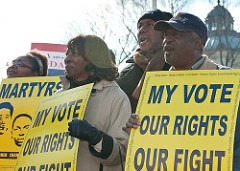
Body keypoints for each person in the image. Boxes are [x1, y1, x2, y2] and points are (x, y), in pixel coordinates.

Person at [124, 12, 239, 170]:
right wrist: (138, 130)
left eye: (175, 34)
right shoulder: (156, 88)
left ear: (197, 43)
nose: (167, 39)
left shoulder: (227, 82)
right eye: (165, 35)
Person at [56, 34, 131, 171]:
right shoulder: (57, 97)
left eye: (75, 54)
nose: (67, 59)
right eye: (67, 54)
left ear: (93, 60)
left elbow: (122, 153)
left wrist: (95, 137)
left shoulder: (116, 97)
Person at [117, 9, 172, 113]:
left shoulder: (181, 68)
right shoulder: (126, 73)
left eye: (149, 25)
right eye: (139, 26)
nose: (142, 30)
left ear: (164, 34)